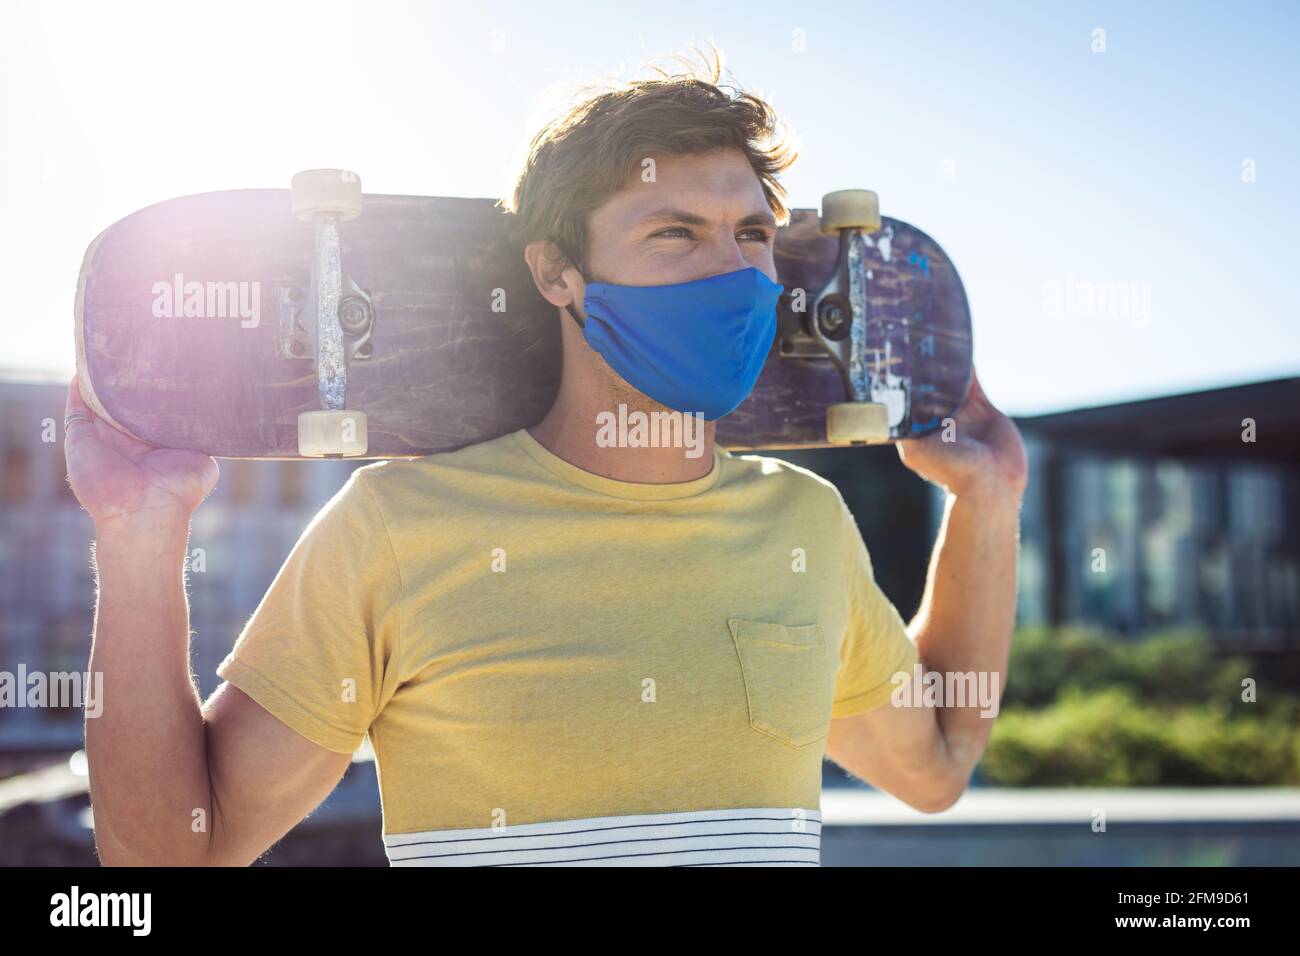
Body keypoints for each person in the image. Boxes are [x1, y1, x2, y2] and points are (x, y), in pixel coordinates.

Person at [65, 48, 1027, 867]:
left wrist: (991, 501)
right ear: (556, 272)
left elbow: (937, 764)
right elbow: (178, 853)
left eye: (752, 235)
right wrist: (138, 534)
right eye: (674, 235)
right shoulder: (397, 529)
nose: (734, 274)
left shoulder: (805, 526)